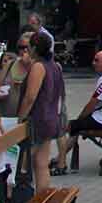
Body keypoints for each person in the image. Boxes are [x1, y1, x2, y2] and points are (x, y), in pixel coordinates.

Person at [16, 32, 63, 191]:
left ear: (35, 48)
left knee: (22, 162)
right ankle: (42, 200)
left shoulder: (38, 66)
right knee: (41, 164)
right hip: (50, 119)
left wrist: (20, 118)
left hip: (37, 120)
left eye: (28, 47)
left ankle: (17, 198)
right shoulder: (55, 66)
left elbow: (30, 97)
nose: (26, 50)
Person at [67, 50, 102, 163]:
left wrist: (80, 117)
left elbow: (93, 103)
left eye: (96, 60)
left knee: (70, 126)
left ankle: (60, 160)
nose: (93, 63)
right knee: (76, 126)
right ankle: (60, 158)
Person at [0, 28, 35, 116]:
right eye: (21, 47)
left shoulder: (38, 67)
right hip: (5, 115)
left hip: (27, 118)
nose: (24, 50)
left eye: (27, 47)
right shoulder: (10, 64)